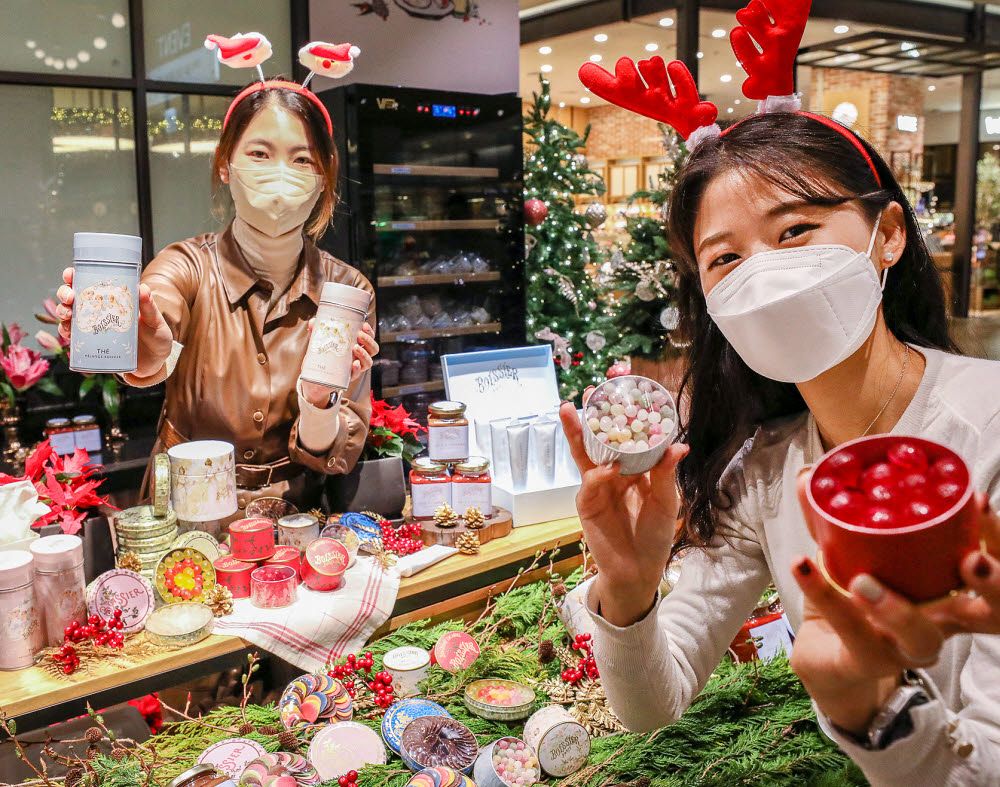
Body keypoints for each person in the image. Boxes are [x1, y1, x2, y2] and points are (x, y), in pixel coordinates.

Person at [559, 111, 1000, 785]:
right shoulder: (764, 471)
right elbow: (655, 702)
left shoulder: (987, 427)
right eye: (726, 258)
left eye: (796, 230)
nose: (765, 276)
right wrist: (627, 592)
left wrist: (873, 711)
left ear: (886, 235)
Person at [55, 80, 378, 512]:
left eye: (302, 159)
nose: (281, 176)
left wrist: (320, 401)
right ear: (225, 163)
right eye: (260, 154)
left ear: (324, 175)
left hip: (296, 521)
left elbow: (331, 452)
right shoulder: (185, 265)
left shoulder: (348, 292)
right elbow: (155, 325)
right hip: (182, 517)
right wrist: (142, 347)